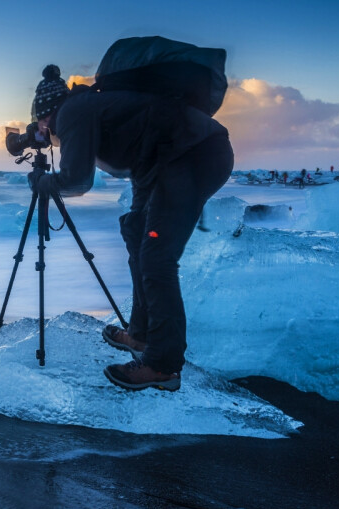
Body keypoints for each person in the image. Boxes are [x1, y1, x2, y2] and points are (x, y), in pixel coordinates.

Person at [29, 64, 233, 392]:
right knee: (137, 233)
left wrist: (42, 182)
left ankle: (162, 366)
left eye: (40, 125)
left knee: (156, 257)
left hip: (193, 155)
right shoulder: (86, 107)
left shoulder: (72, 112)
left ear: (47, 114)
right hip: (161, 162)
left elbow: (77, 180)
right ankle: (140, 335)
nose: (41, 133)